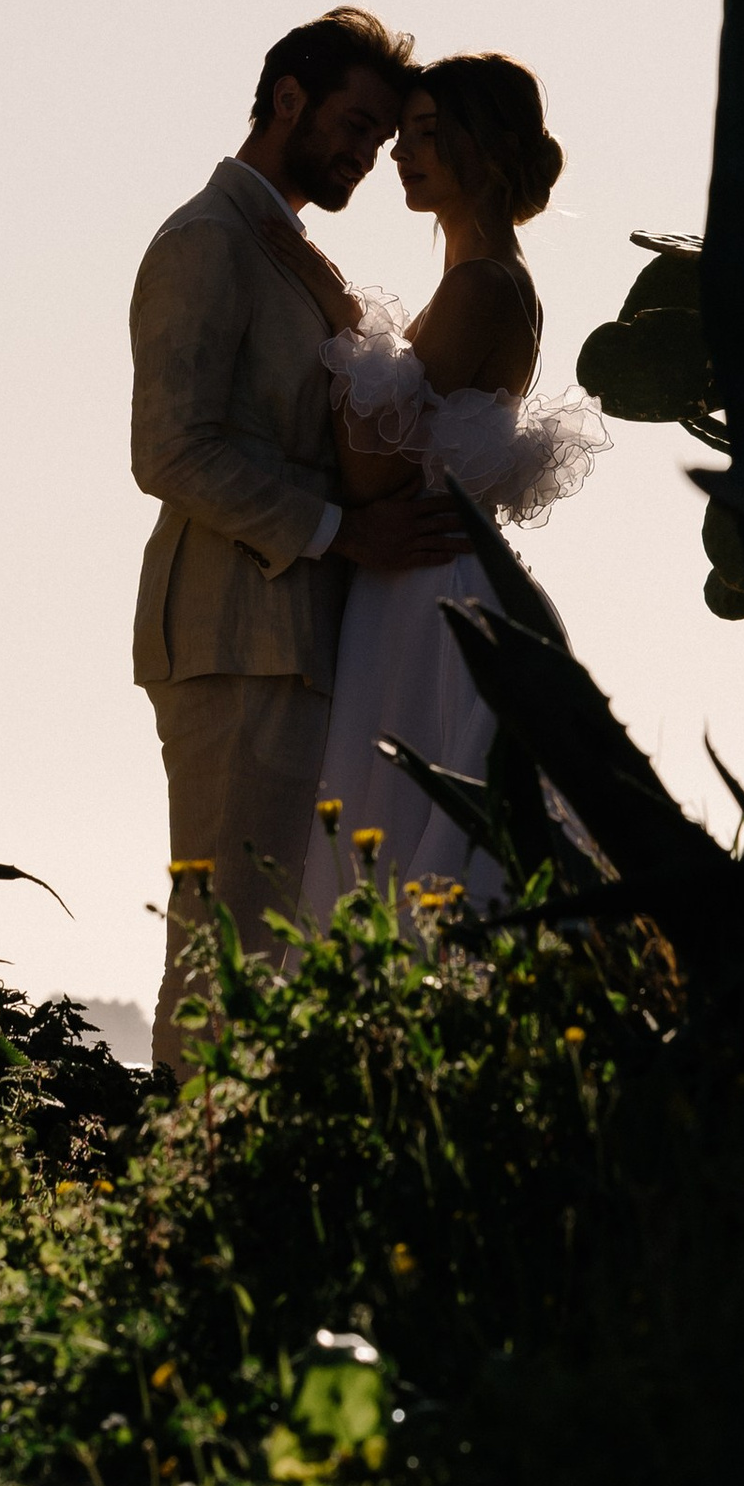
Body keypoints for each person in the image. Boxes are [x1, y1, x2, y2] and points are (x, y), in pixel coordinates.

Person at [130, 7, 465, 1075]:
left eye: (380, 137)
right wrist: (340, 527)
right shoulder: (204, 242)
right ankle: (187, 1195)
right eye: (355, 126)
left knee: (275, 938)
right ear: (286, 100)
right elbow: (170, 453)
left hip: (303, 637)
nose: (367, 156)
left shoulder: (281, 243)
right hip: (233, 637)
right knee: (224, 936)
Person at [301, 54, 602, 927]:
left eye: (430, 134)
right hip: (434, 584)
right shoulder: (486, 276)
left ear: (491, 145)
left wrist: (333, 307)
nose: (402, 153)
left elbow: (373, 470)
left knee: (411, 846)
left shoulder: (479, 285)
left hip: (433, 595)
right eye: (404, 134)